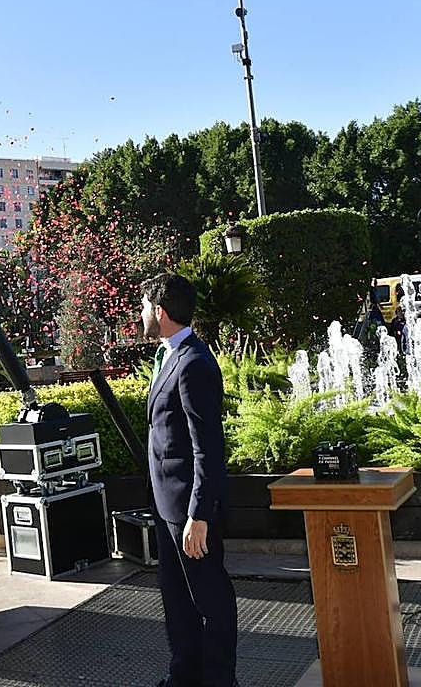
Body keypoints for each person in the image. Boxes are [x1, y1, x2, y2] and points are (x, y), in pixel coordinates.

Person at [140, 273, 238, 687]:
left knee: (210, 600)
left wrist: (199, 515)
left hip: (189, 511)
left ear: (160, 312)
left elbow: (207, 448)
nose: (141, 314)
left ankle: (219, 681)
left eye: (144, 307)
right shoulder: (170, 356)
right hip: (167, 505)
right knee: (177, 601)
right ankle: (184, 677)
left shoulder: (194, 362)